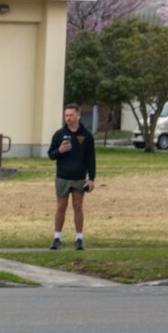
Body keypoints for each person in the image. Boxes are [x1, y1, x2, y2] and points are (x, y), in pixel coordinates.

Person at [48, 104, 95, 250]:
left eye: (71, 115)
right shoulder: (59, 134)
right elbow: (51, 155)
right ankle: (57, 238)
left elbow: (91, 158)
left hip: (79, 177)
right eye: (66, 115)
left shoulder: (86, 135)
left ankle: (79, 239)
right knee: (61, 206)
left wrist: (91, 178)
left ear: (78, 116)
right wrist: (60, 150)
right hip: (62, 176)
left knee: (78, 206)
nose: (68, 118)